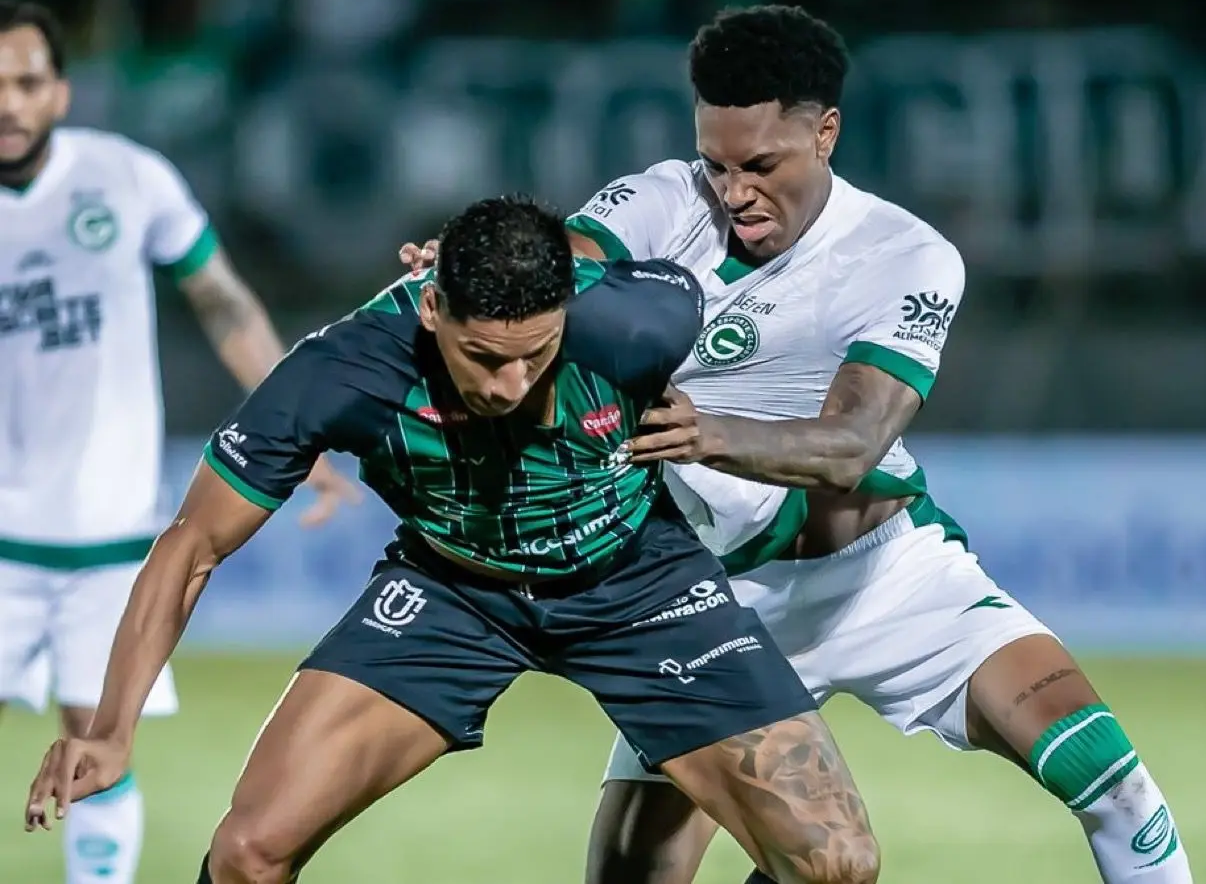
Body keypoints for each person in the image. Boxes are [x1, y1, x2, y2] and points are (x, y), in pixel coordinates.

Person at [400, 5, 1193, 884]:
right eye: (717, 164)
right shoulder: (665, 201)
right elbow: (561, 259)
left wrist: (707, 434)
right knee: (632, 873)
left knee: (1111, 781)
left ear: (826, 133)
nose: (734, 191)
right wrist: (481, 275)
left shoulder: (904, 254)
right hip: (713, 598)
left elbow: (854, 444)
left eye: (760, 166)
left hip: (887, 577)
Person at [25, 195, 880, 884]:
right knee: (249, 852)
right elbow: (191, 547)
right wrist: (111, 730)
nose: (510, 384)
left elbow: (747, 294)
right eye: (484, 357)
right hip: (454, 594)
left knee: (837, 865)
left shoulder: (638, 319)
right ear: (432, 306)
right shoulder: (344, 372)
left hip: (639, 582)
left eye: (536, 354)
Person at [0, 0, 358, 884]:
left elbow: (223, 301)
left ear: (61, 92)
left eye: (27, 82)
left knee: (92, 744)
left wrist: (297, 423)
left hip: (109, 531)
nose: (8, 102)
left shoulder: (128, 179)